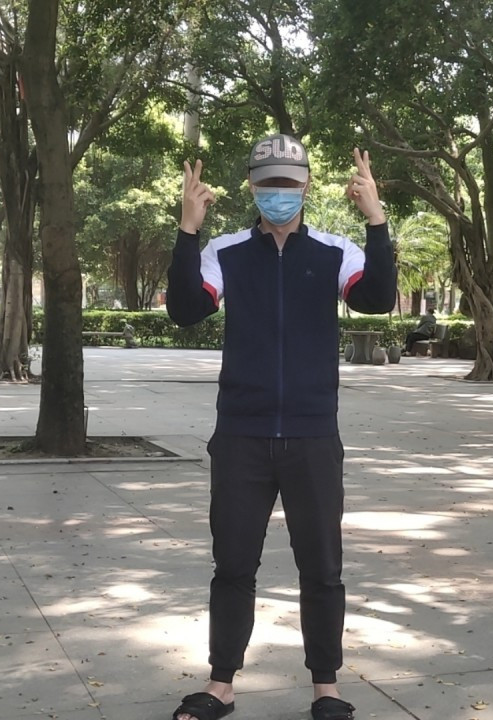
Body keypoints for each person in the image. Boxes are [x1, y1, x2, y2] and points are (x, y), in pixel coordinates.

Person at [166, 133, 397, 720]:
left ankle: (327, 688)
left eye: (289, 183)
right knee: (233, 566)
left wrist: (376, 222)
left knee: (322, 569)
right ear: (251, 186)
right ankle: (221, 684)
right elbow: (186, 309)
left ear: (306, 186)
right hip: (241, 436)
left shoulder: (335, 251)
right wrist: (188, 231)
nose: (279, 193)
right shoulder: (225, 252)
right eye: (268, 183)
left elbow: (377, 298)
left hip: (313, 435)